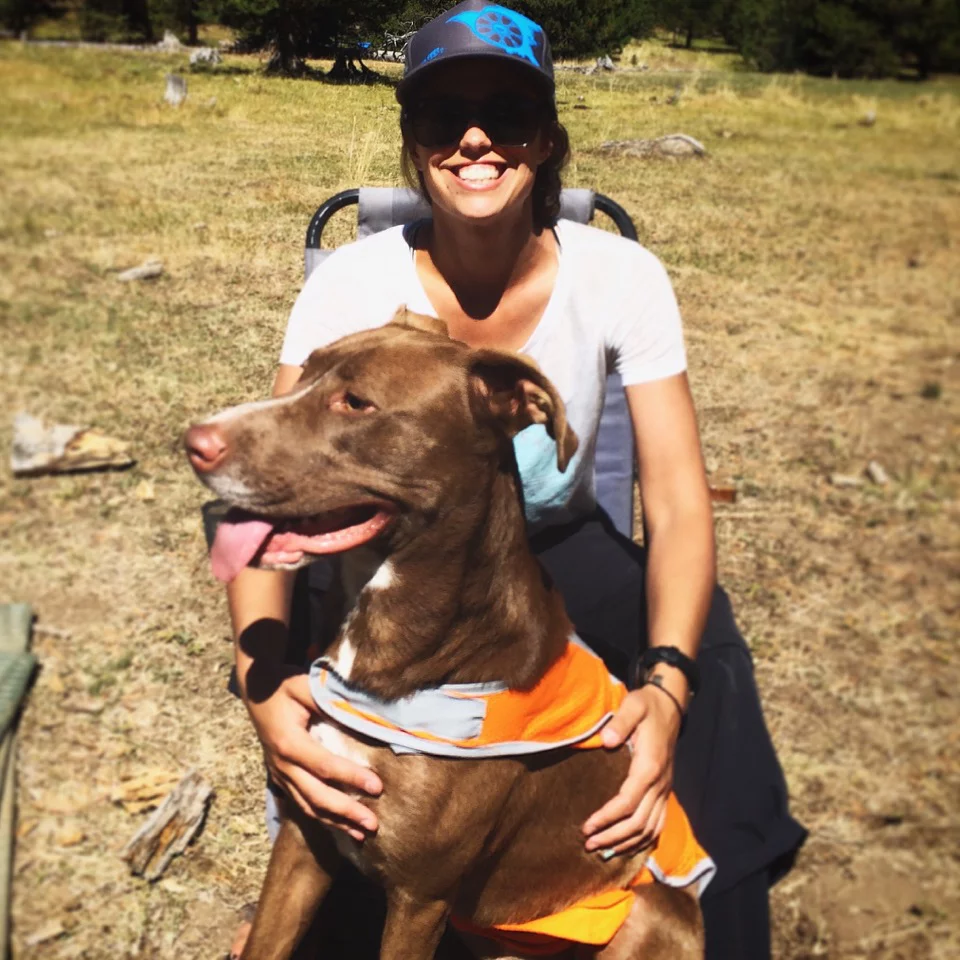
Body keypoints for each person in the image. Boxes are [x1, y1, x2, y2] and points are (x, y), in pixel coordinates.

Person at [225, 3, 806, 958]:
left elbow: (673, 497)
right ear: (413, 143)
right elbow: (267, 488)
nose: (475, 136)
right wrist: (263, 680)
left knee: (715, 687)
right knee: (359, 811)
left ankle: (725, 914)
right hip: (391, 547)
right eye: (441, 114)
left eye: (506, 109)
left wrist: (664, 692)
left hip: (559, 549)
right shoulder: (353, 284)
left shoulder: (620, 275)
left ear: (548, 135)